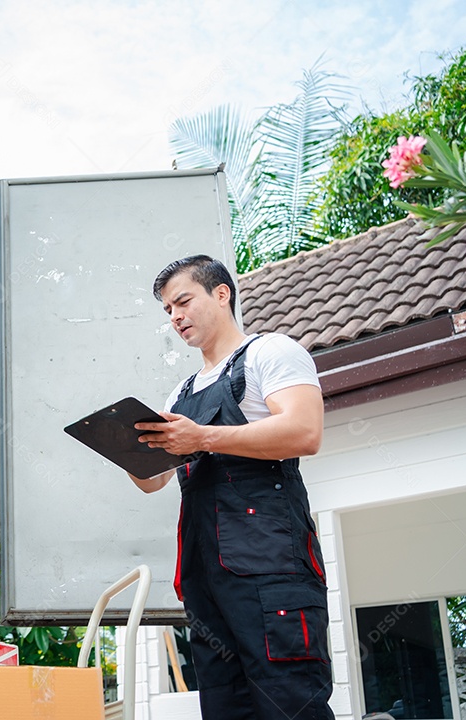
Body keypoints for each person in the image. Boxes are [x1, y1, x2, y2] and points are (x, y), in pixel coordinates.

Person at [129, 255, 334, 719]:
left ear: (222, 294)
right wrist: (128, 450)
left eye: (183, 301)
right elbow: (153, 482)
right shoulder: (180, 394)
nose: (175, 316)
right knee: (227, 709)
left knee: (289, 702)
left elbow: (304, 432)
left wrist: (201, 436)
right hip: (205, 578)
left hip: (272, 568)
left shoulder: (271, 352)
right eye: (167, 310)